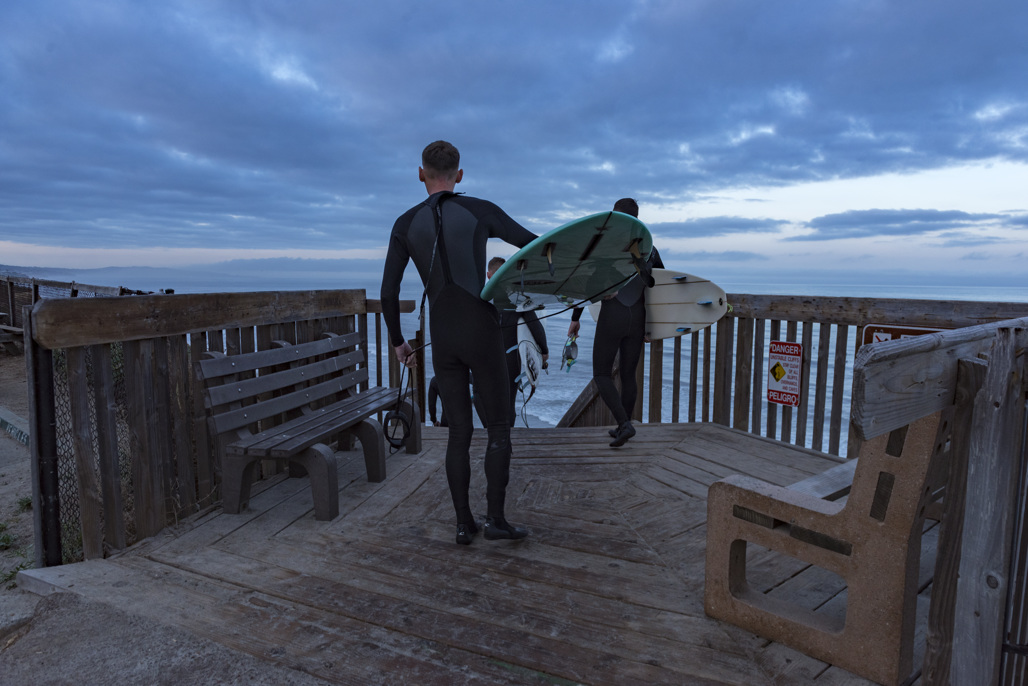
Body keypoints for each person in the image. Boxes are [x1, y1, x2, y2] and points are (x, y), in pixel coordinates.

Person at [380, 140, 537, 545]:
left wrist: (399, 343)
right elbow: (533, 246)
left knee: (459, 434)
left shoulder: (403, 224)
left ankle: (463, 523)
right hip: (482, 330)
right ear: (460, 175)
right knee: (499, 427)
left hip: (442, 335)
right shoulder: (480, 210)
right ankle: (497, 521)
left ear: (420, 174)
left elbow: (388, 292)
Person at [567, 198, 664, 447]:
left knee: (601, 373)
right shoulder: (650, 248)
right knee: (629, 374)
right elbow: (662, 284)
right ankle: (624, 425)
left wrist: (575, 318)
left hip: (614, 315)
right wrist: (655, 325)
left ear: (615, 216)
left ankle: (624, 424)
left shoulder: (607, 245)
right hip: (638, 317)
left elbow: (588, 285)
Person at [486, 256, 549, 425]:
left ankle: (491, 432)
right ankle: (507, 436)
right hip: (510, 358)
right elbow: (534, 325)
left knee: (488, 398)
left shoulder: (482, 299)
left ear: (488, 275)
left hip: (487, 359)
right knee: (509, 401)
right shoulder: (517, 298)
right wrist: (544, 351)